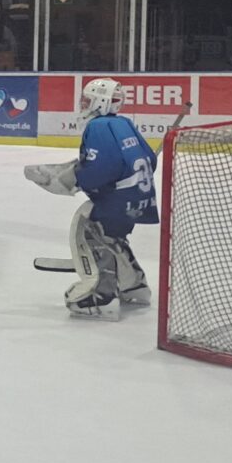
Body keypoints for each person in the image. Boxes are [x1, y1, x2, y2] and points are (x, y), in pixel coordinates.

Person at [66, 78, 157, 318]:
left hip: (118, 198)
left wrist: (80, 179)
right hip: (140, 198)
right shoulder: (124, 123)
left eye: (88, 99)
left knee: (90, 228)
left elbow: (104, 166)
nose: (84, 104)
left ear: (101, 102)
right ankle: (134, 285)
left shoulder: (98, 126)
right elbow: (150, 158)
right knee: (113, 235)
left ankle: (102, 295)